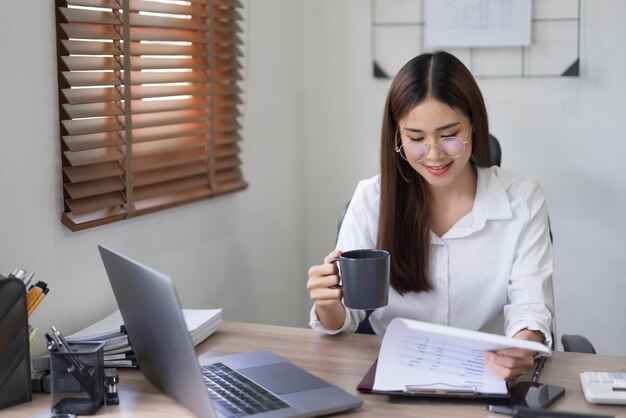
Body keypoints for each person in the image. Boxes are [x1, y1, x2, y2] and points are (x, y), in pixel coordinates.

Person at [306, 51, 554, 381]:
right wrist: (328, 303)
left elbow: (530, 308)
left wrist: (522, 348)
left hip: (485, 374)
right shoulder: (372, 198)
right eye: (417, 139)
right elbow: (344, 320)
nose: (434, 153)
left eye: (449, 135)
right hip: (392, 377)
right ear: (398, 137)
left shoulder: (522, 197)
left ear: (474, 126)